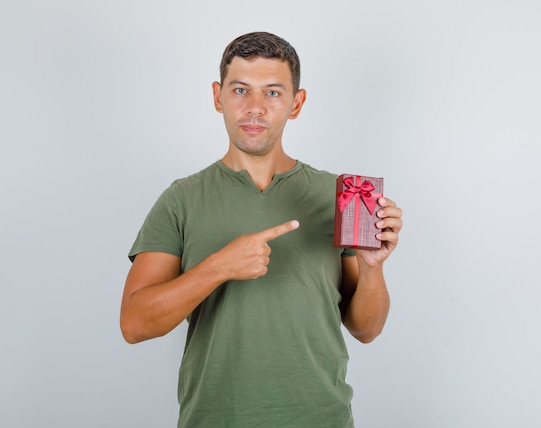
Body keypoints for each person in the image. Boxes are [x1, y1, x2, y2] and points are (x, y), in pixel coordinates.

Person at [120, 31, 403, 427]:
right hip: (215, 419)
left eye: (272, 93)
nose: (254, 108)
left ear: (296, 103)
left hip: (321, 418)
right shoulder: (181, 199)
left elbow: (366, 329)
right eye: (240, 90)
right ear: (218, 97)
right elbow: (134, 324)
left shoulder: (338, 195)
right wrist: (219, 266)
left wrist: (373, 267)